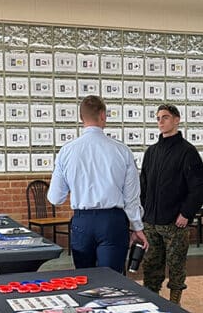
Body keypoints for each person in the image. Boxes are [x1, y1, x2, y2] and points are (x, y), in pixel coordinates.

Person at [48, 95, 147, 272]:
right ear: (103, 115)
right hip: (112, 221)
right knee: (112, 282)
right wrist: (137, 227)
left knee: (85, 279)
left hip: (82, 221)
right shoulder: (121, 150)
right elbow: (131, 197)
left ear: (81, 118)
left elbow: (55, 197)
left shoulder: (67, 151)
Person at [139, 104, 203, 304]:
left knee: (176, 266)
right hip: (151, 221)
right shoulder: (151, 152)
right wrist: (143, 213)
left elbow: (199, 185)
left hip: (174, 223)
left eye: (165, 117)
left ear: (177, 120)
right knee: (151, 266)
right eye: (158, 118)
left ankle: (175, 303)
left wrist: (186, 213)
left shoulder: (187, 151)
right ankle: (152, 302)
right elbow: (143, 185)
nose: (161, 121)